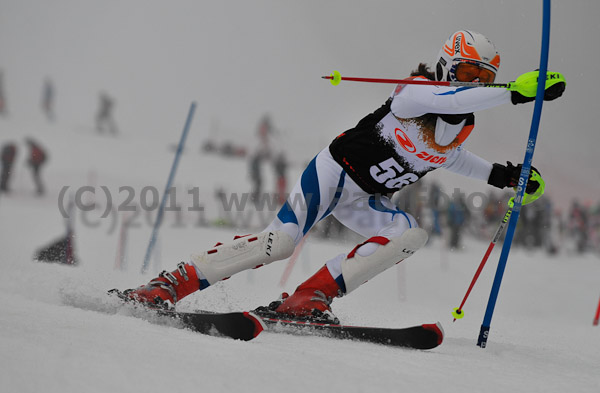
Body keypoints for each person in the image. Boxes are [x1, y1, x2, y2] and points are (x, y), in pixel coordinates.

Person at [119, 30, 564, 322]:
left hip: (364, 199)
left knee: (409, 233)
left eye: (484, 77)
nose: (475, 84)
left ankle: (308, 298)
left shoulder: (460, 123)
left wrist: (507, 176)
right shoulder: (416, 92)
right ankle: (168, 283)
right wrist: (511, 93)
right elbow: (447, 100)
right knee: (282, 244)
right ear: (448, 66)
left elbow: (449, 158)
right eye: (469, 74)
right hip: (332, 174)